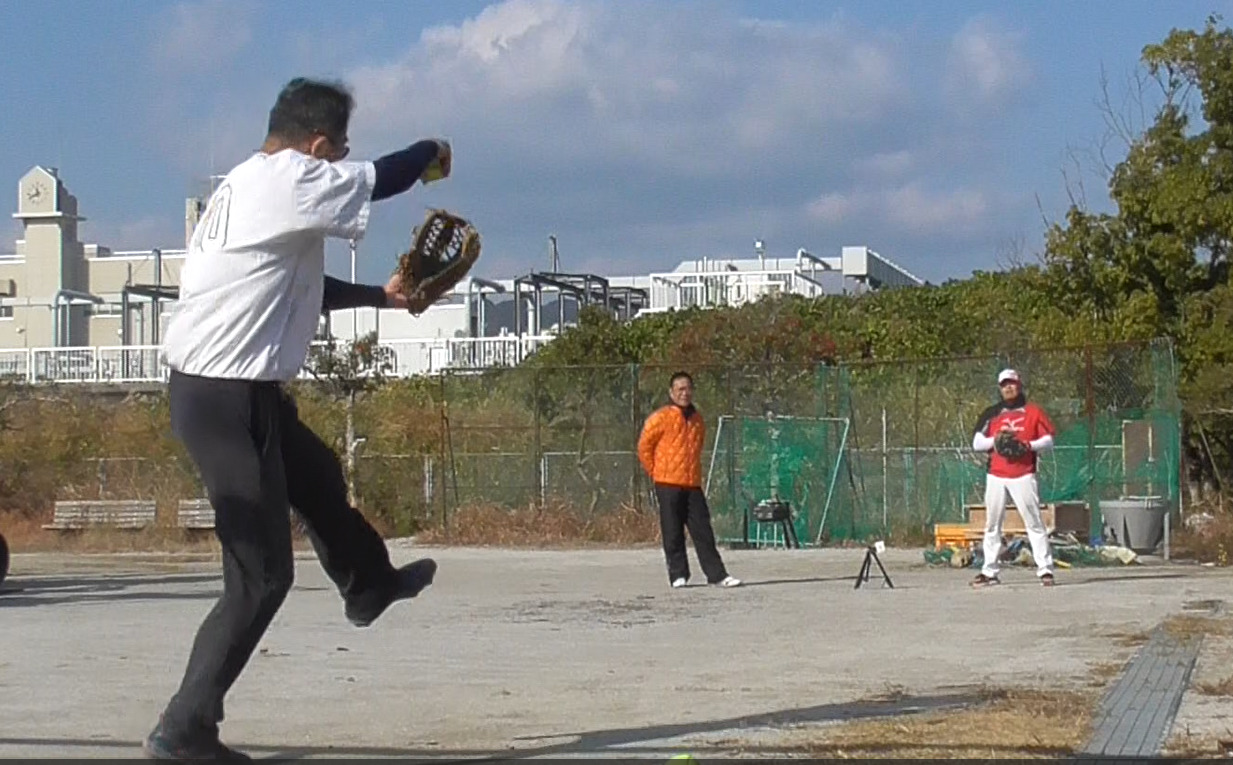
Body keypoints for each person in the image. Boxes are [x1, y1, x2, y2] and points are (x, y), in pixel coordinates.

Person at [146, 77, 453, 760]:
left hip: (233, 392)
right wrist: (430, 151)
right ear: (316, 147)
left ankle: (367, 584)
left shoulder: (249, 187)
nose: (342, 162)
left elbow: (302, 289)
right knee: (260, 576)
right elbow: (383, 177)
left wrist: (381, 297)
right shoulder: (287, 178)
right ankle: (184, 727)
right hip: (224, 399)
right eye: (339, 150)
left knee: (317, 474)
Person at [637, 372, 741, 589]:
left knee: (703, 530)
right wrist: (656, 472)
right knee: (672, 531)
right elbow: (644, 446)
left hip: (692, 483)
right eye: (680, 389)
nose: (684, 393)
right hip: (667, 483)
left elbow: (698, 445)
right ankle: (678, 574)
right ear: (671, 392)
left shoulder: (697, 419)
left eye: (688, 389)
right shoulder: (660, 418)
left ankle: (717, 574)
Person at [970, 368, 1057, 588]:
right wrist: (997, 440)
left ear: (1019, 385)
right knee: (992, 524)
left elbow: (1048, 440)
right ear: (1000, 388)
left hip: (1023, 474)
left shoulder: (1033, 411)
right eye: (1004, 384)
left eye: (1012, 383)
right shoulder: (992, 413)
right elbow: (977, 443)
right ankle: (989, 571)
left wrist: (1027, 445)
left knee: (1034, 522)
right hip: (996, 475)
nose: (1008, 388)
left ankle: (1045, 569)